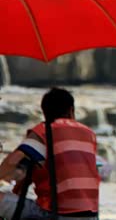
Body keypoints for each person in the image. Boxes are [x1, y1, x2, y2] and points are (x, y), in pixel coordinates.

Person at [0, 88, 100, 220]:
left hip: (56, 216)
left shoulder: (44, 131)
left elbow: (12, 162)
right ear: (71, 111)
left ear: (44, 112)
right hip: (91, 216)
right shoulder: (89, 134)